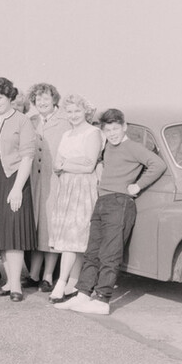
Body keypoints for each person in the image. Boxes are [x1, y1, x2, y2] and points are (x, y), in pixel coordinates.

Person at [55, 109, 167, 315]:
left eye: (116, 128)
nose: (113, 133)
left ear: (124, 127)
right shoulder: (107, 147)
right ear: (103, 131)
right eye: (108, 130)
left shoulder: (132, 147)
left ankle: (102, 300)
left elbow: (157, 164)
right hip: (103, 200)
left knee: (110, 253)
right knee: (92, 251)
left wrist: (138, 185)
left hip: (120, 202)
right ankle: (83, 294)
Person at [0, 77, 37, 302]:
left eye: (0, 98)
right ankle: (7, 281)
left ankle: (15, 285)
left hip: (14, 177)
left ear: (10, 97)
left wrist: (17, 189)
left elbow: (27, 157)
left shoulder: (22, 120)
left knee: (14, 232)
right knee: (1, 232)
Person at [47, 94, 104, 303]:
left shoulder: (93, 132)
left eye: (77, 111)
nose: (73, 115)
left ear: (85, 111)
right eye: (69, 111)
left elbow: (89, 165)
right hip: (67, 187)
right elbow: (56, 165)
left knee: (75, 238)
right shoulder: (67, 135)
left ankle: (61, 283)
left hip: (83, 188)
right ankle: (72, 281)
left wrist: (66, 164)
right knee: (73, 239)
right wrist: (71, 163)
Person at [26, 82, 71, 291]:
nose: (41, 102)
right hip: (34, 183)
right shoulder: (31, 121)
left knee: (51, 228)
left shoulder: (65, 122)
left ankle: (48, 275)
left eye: (45, 98)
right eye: (37, 99)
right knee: (36, 227)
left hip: (55, 181)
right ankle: (33, 273)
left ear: (54, 99)